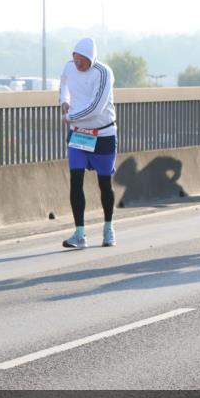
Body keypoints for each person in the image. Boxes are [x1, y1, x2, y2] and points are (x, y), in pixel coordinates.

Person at [58, 37, 117, 249]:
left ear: (91, 59)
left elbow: (96, 108)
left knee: (104, 184)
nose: (78, 64)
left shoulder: (103, 73)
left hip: (102, 134)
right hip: (79, 135)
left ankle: (108, 229)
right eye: (75, 59)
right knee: (75, 180)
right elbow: (63, 82)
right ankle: (79, 233)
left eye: (82, 60)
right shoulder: (69, 67)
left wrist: (71, 117)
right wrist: (64, 101)